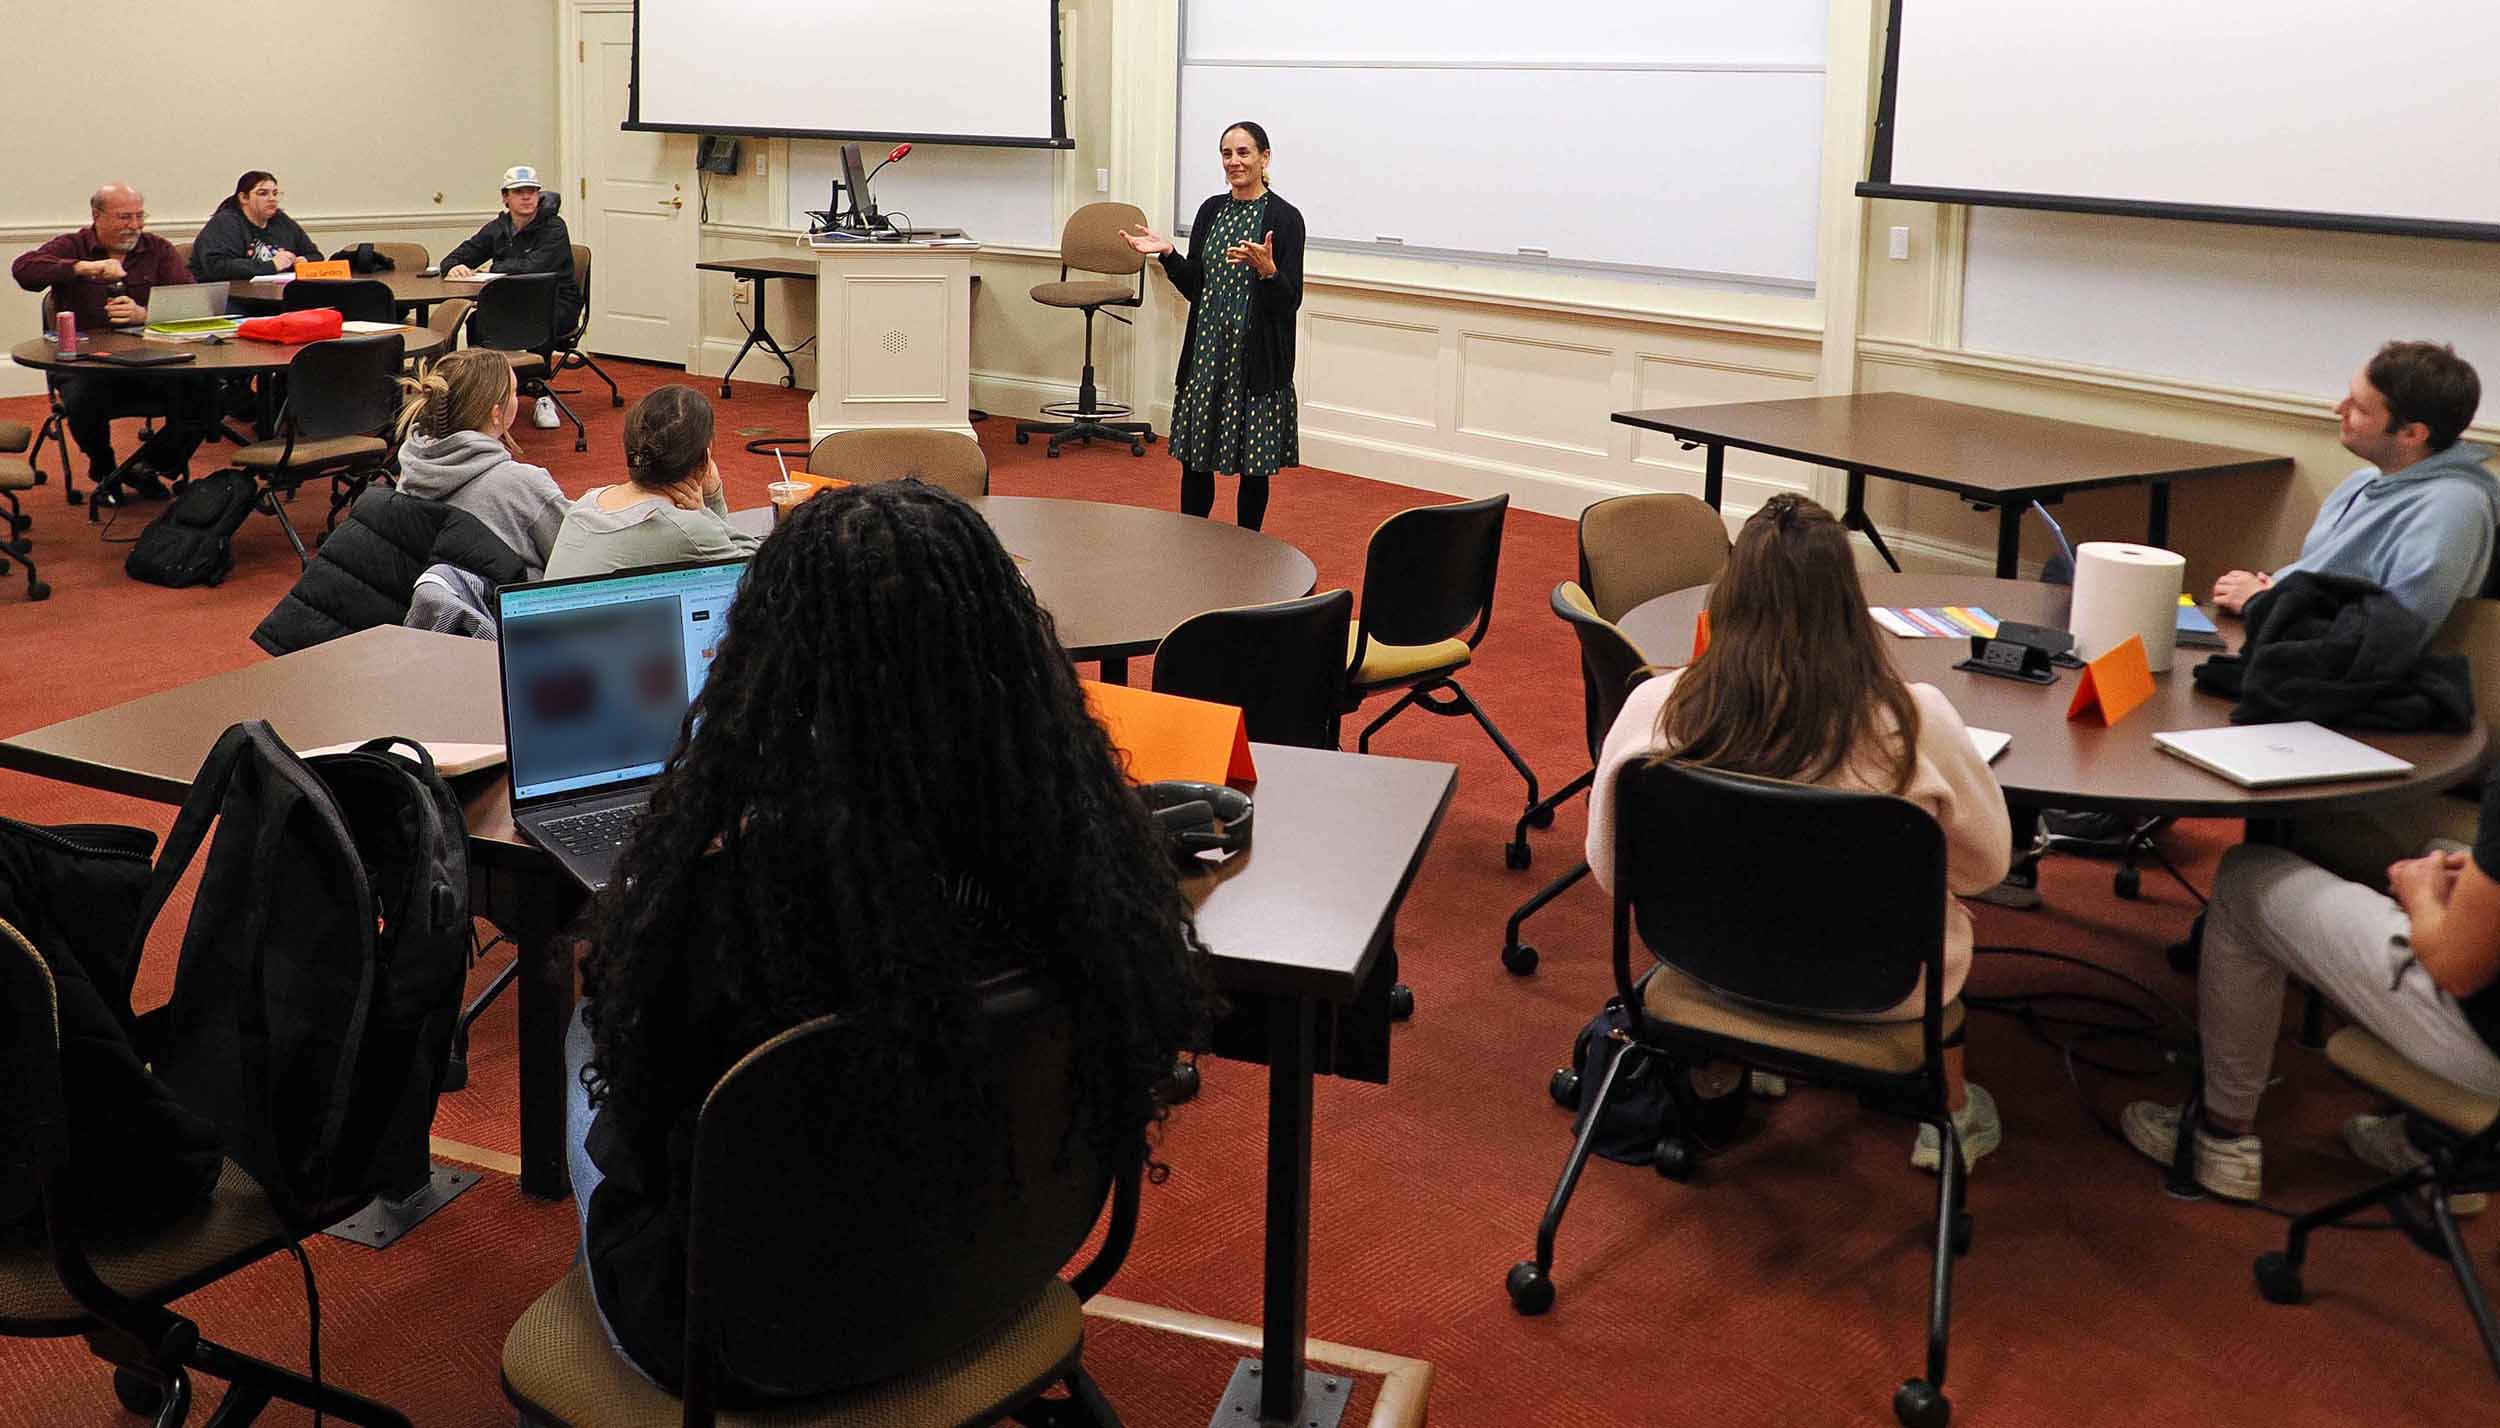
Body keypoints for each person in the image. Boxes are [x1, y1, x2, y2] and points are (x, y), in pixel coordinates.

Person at [566, 481, 1220, 1392]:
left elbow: (635, 1142)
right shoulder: (1076, 871)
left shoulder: (731, 908)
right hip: (995, 1274)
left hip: (734, 1346)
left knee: (585, 1032)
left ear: (768, 668)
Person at [1586, 494, 2013, 1169]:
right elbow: (1986, 868)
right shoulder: (1916, 722)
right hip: (1887, 991)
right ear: (1849, 603)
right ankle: (1951, 1119)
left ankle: (1749, 1060)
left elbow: (1612, 870)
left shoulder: (1654, 709)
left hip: (1707, 969)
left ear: (1727, 595)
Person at [2121, 816, 2500, 1209]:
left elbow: (2457, 969)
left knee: (2244, 877)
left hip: (2480, 1034)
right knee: (2441, 851)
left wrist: (2422, 895)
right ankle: (2433, 1138)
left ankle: (2219, 1134)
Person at [2210, 342, 2493, 638]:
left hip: (2349, 662)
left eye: (2359, 408)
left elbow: (2393, 633)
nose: (2339, 409)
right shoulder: (2361, 481)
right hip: (2296, 641)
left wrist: (2262, 602)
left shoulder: (2452, 508)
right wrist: (2273, 592)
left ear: (2412, 433)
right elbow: (2318, 581)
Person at [1118, 121, 1305, 532]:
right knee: (1195, 460)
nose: (1234, 161)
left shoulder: (1286, 219)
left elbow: (1290, 301)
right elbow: (1196, 287)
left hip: (1255, 361)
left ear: (1264, 158)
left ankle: (1249, 545)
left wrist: (1269, 271)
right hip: (1206, 354)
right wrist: (1168, 254)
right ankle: (1193, 541)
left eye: (1244, 152)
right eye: (1226, 153)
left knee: (1254, 467)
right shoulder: (1211, 211)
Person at [10, 183, 198, 500]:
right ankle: (104, 468)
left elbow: (189, 302)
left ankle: (147, 467)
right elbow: (24, 270)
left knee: (209, 390)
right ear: (97, 216)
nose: (134, 225)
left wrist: (144, 314)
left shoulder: (157, 249)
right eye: (124, 217)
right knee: (82, 396)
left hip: (150, 361)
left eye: (140, 216)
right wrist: (83, 268)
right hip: (88, 364)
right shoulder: (74, 245)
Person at [543, 384, 759, 578]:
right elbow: (760, 573)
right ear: (704, 460)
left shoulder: (588, 500)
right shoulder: (688, 529)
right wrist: (707, 507)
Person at [392, 348, 568, 577]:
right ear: (496, 413)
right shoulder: (523, 484)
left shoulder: (413, 468)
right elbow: (578, 553)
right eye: (514, 392)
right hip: (500, 597)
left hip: (431, 592)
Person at [442, 164, 581, 430]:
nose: (527, 197)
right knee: (476, 322)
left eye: (532, 191)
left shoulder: (554, 227)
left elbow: (535, 267)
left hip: (557, 303)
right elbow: (456, 256)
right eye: (519, 192)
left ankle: (541, 392)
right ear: (505, 197)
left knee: (538, 321)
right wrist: (455, 266)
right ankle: (483, 392)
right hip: (511, 304)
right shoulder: (498, 228)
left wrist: (494, 267)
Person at [190, 171, 320, 280]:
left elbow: (315, 255)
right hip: (230, 295)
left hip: (274, 292)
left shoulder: (282, 220)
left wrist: (304, 261)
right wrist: (271, 265)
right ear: (243, 198)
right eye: (263, 193)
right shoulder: (225, 222)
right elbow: (217, 267)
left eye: (275, 193)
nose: (272, 199)